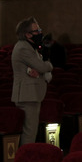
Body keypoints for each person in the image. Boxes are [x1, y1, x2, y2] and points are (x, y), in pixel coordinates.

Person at [11, 17, 53, 145]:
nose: (40, 33)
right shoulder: (23, 47)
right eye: (36, 31)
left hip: (31, 94)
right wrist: (48, 65)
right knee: (29, 132)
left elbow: (39, 68)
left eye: (40, 30)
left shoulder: (31, 47)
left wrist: (41, 69)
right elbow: (42, 67)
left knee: (31, 130)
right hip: (27, 95)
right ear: (27, 34)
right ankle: (26, 160)